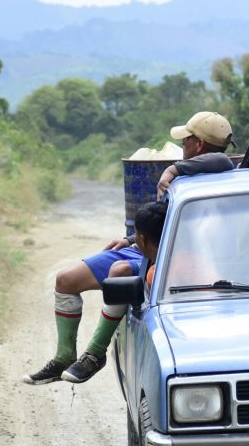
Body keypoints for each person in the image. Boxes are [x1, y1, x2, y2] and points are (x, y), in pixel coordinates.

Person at [22, 112, 231, 385]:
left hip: (166, 253)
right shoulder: (188, 171)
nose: (183, 145)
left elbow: (224, 160)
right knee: (65, 279)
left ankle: (95, 354)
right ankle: (63, 356)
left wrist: (172, 169)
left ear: (199, 144)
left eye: (187, 140)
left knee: (119, 272)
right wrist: (132, 239)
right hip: (141, 245)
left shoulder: (216, 174)